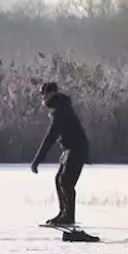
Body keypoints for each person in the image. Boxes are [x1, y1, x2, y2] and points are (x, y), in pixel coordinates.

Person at [30, 82, 90, 225]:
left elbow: (50, 137)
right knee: (59, 179)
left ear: (51, 94)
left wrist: (37, 160)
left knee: (66, 181)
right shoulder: (59, 107)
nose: (42, 99)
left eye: (43, 95)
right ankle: (63, 213)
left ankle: (68, 217)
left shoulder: (60, 110)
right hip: (69, 149)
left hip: (76, 149)